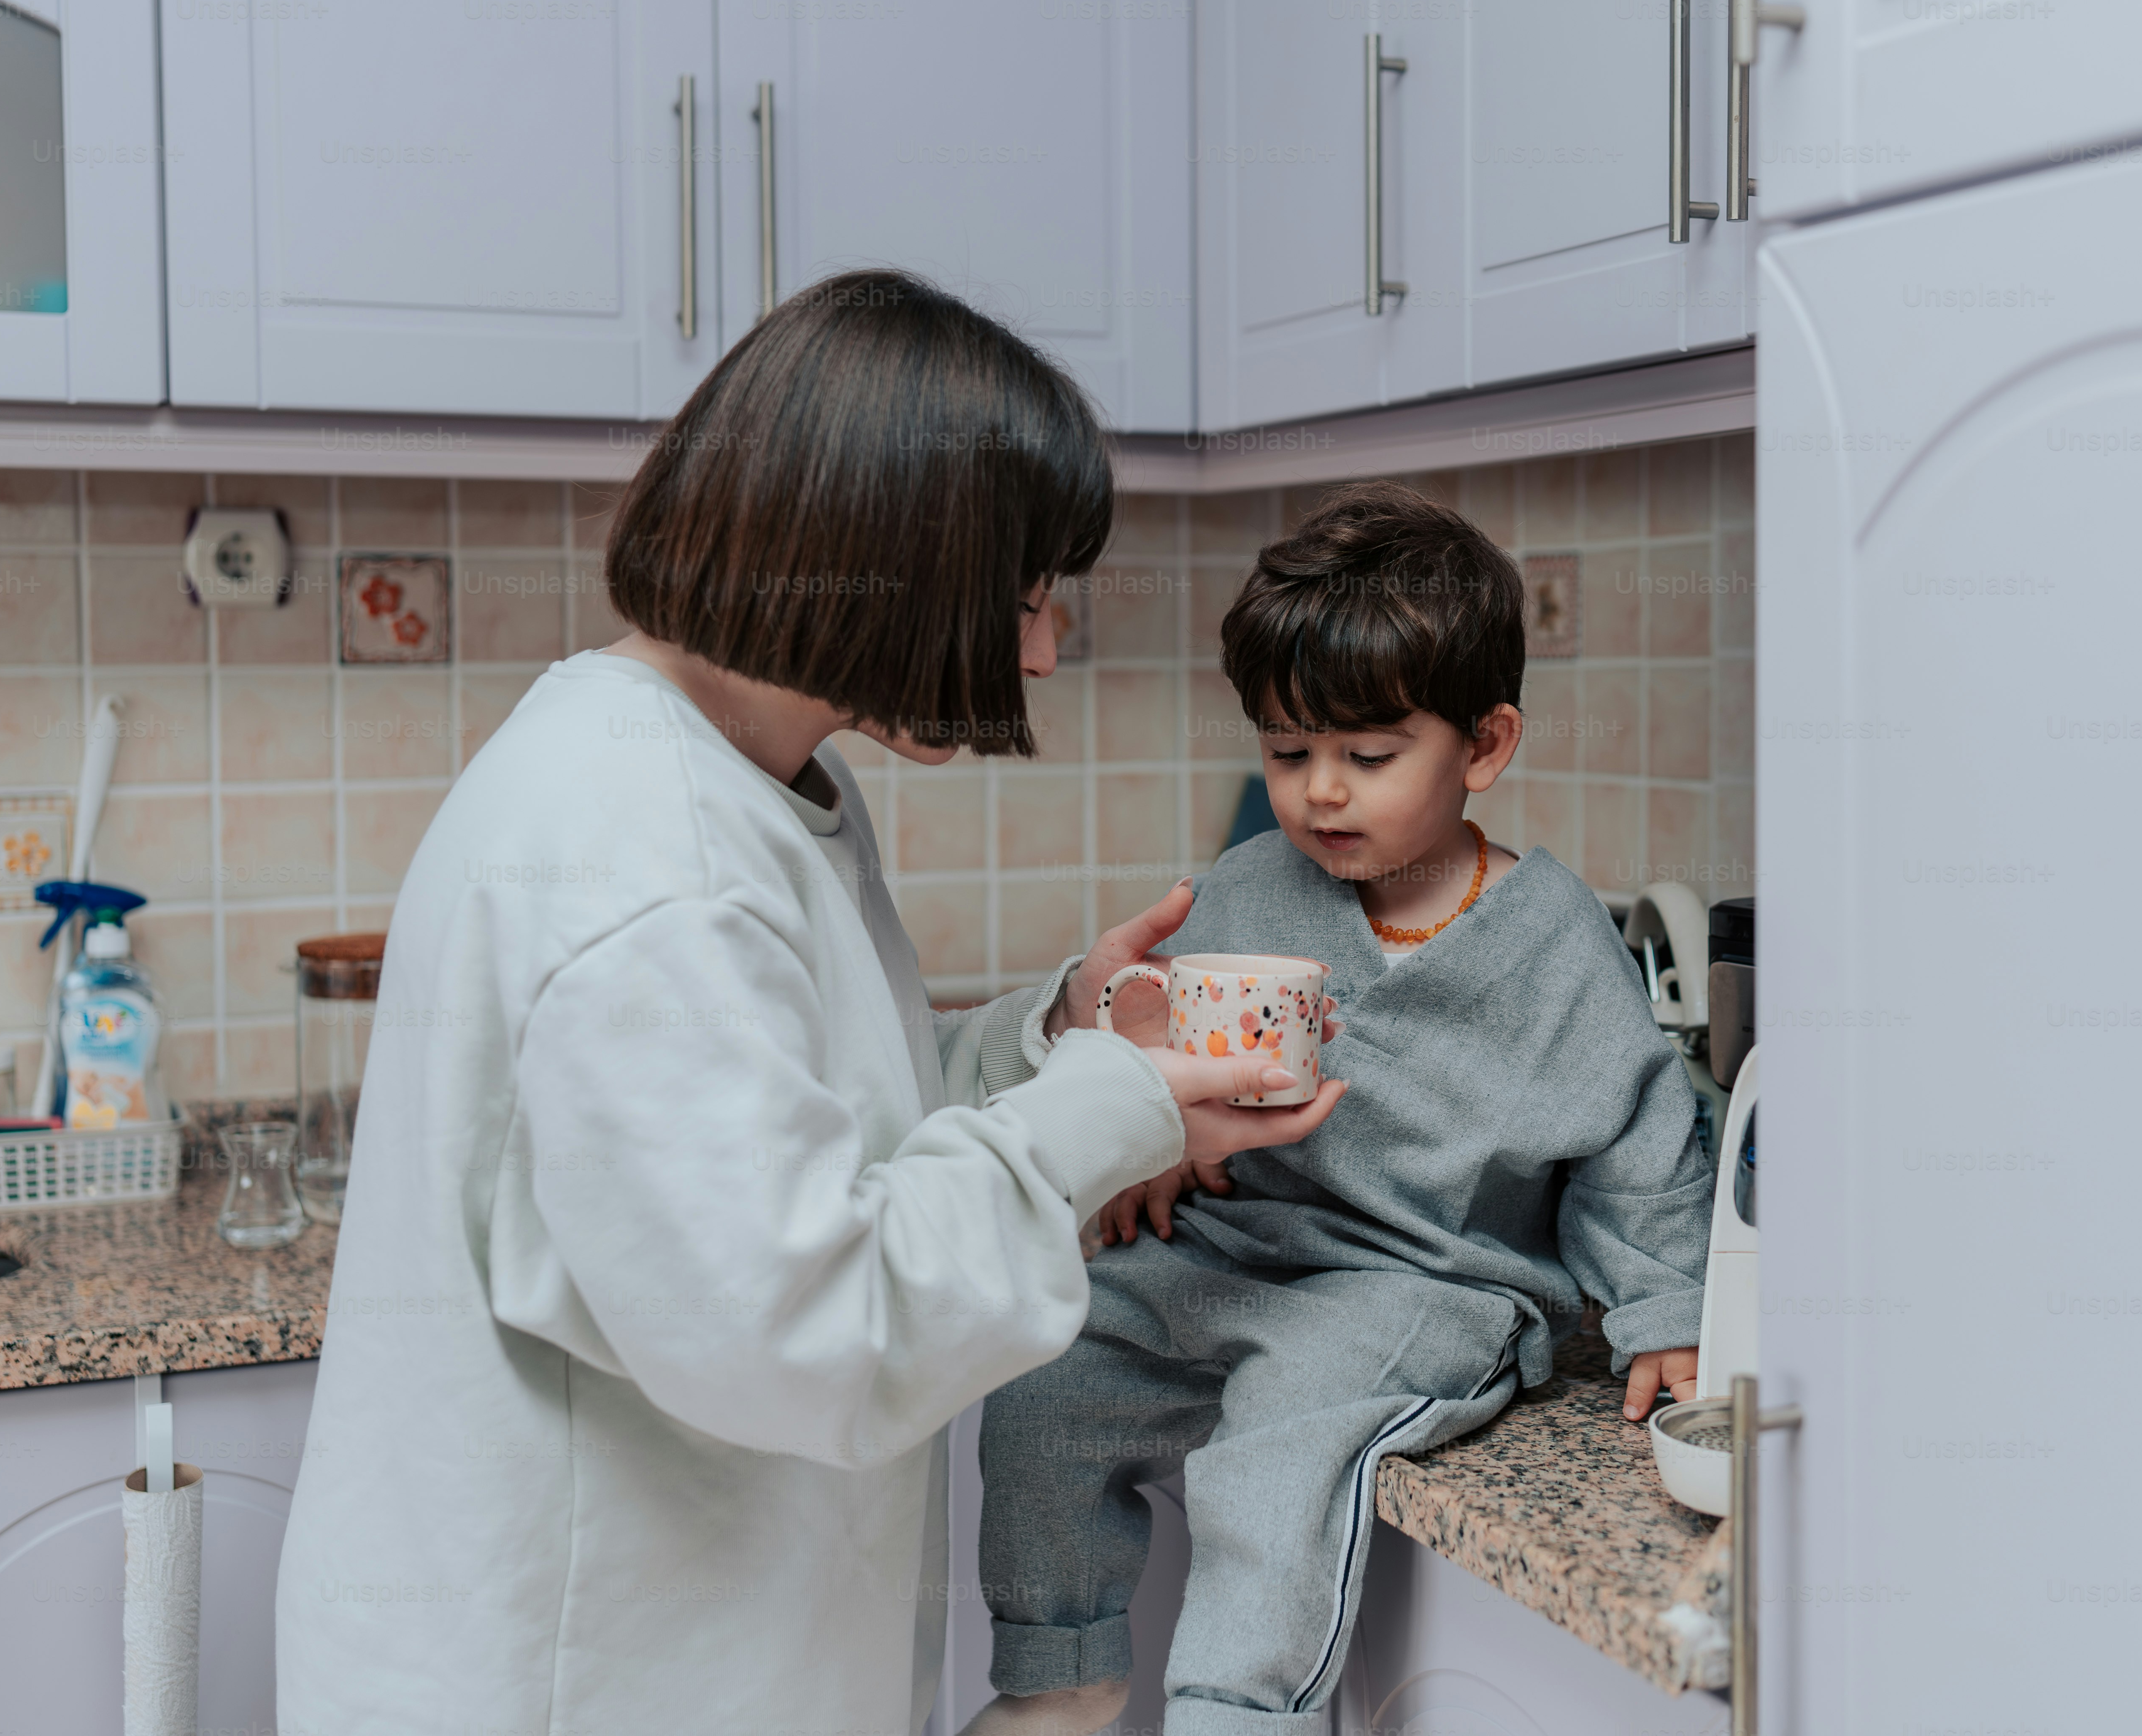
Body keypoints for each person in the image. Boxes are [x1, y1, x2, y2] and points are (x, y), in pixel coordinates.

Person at [272, 270, 1343, 1736]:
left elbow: (821, 1123)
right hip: (577, 1684)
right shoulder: (650, 858)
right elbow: (811, 1318)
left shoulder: (731, 781)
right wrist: (1115, 1109)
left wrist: (1059, 1038)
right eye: (1026, 592)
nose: (1038, 649)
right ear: (894, 561)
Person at [967, 483, 1715, 1736]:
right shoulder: (1250, 885)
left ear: (1483, 745)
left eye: (1367, 757)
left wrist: (1668, 1312)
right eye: (1285, 751)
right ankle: (1062, 1674)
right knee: (1046, 1355)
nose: (1318, 793)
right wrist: (1140, 1147)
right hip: (1241, 1250)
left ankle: (1234, 1712)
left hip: (1423, 1281)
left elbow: (1637, 1140)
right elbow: (1169, 1066)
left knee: (1283, 1447)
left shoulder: (1552, 938)